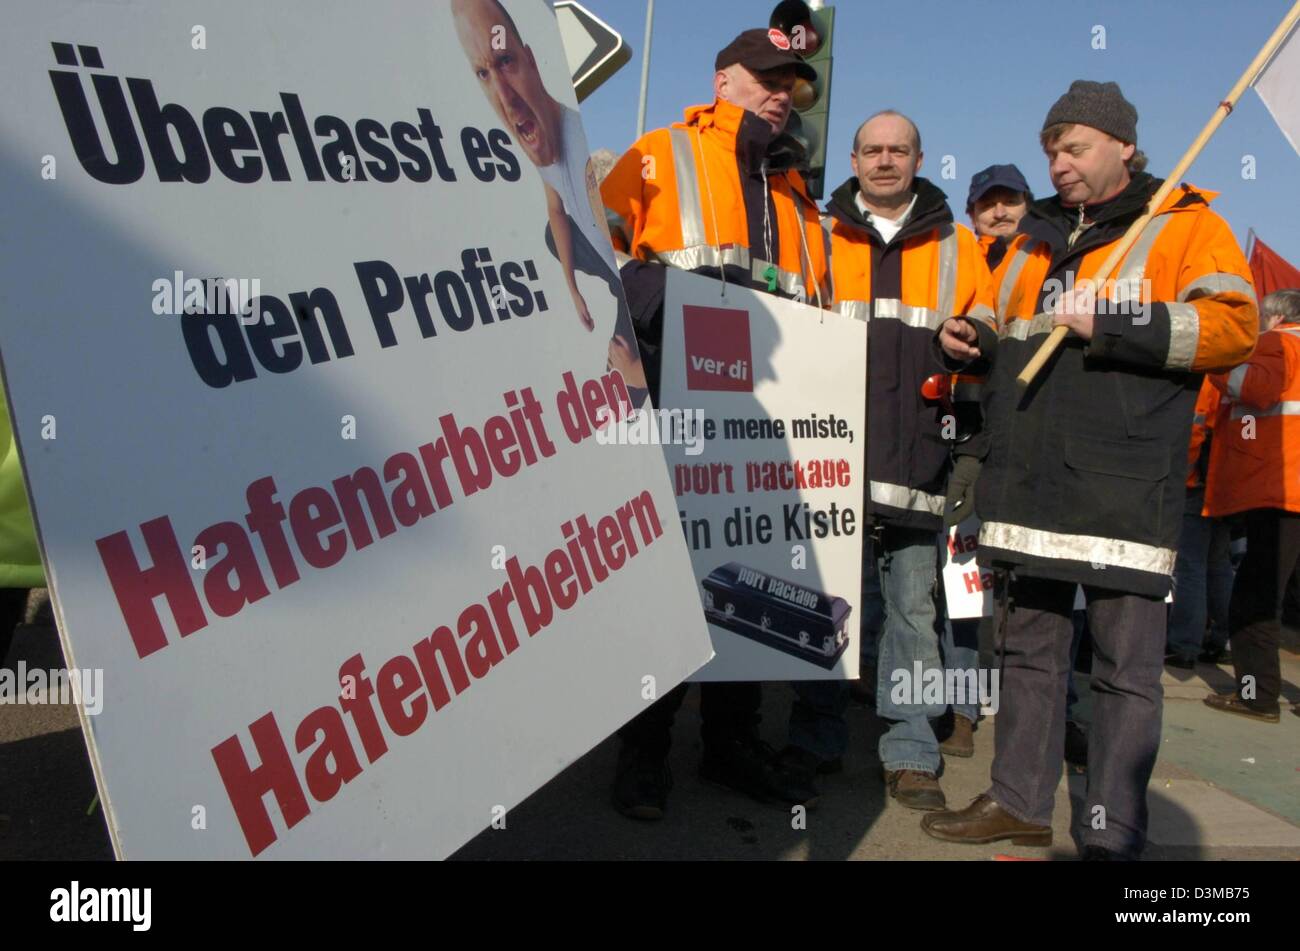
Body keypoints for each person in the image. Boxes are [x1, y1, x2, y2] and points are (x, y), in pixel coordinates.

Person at [927, 80, 1257, 858]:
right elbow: (1006, 325)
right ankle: (1019, 801)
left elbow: (1234, 329)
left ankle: (1112, 830)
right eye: (1052, 150)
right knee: (1027, 653)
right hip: (1030, 482)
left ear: (1123, 148)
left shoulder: (1189, 226)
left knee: (1123, 670)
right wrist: (971, 338)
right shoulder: (1033, 239)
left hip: (1125, 487)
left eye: (1074, 147)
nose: (1060, 163)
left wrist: (1115, 322)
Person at [599, 27, 831, 819]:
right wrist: (672, 293)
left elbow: (820, 312)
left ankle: (732, 745)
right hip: (674, 404)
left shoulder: (801, 197)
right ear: (722, 79)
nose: (780, 91)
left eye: (791, 81)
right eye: (765, 76)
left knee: (752, 590)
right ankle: (644, 751)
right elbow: (590, 263)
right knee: (670, 593)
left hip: (768, 426)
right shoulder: (659, 152)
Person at [790, 110, 994, 811]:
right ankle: (815, 740)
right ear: (853, 157)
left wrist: (977, 337)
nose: (884, 160)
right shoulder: (815, 233)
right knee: (825, 608)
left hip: (916, 456)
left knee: (913, 609)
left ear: (919, 158)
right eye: (872, 150)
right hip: (829, 458)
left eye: (897, 150)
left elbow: (989, 321)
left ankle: (910, 751)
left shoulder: (956, 243)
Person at [451, 0, 646, 396]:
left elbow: (633, 274)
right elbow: (556, 208)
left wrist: (636, 372)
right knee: (549, 232)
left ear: (532, 61)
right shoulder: (541, 149)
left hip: (626, 277)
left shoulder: (582, 154)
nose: (504, 96)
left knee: (627, 391)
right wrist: (571, 289)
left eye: (505, 61)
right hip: (607, 264)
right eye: (483, 73)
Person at [1202, 289, 1300, 723]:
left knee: (1256, 598)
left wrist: (1215, 364)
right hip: (1285, 488)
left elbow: (1255, 390)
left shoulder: (1279, 342)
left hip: (1278, 490)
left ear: (1275, 317)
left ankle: (1255, 695)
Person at [1165, 377, 1233, 669]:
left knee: (1190, 566)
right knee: (1218, 564)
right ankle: (1223, 639)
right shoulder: (1232, 375)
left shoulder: (1204, 379)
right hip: (1222, 486)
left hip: (1195, 484)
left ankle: (1184, 646)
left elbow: (1193, 433)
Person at [966, 164, 1032, 270]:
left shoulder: (1052, 257)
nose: (1000, 214)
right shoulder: (961, 267)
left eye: (1010, 202)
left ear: (1029, 208)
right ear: (973, 218)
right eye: (988, 205)